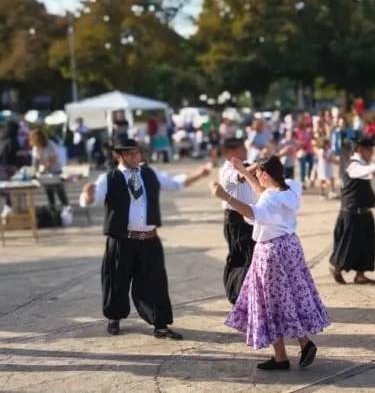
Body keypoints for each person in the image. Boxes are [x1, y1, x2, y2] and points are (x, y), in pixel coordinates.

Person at [79, 137, 212, 339]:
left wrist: (199, 174)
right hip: (122, 239)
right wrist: (88, 195)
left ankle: (160, 324)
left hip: (149, 239)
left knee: (155, 283)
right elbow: (92, 199)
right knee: (116, 281)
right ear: (119, 156)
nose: (135, 157)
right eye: (130, 153)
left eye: (137, 152)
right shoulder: (110, 178)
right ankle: (114, 317)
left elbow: (175, 183)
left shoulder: (149, 174)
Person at [210, 156, 328, 371]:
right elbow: (263, 192)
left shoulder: (269, 200)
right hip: (290, 247)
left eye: (257, 175)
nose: (256, 179)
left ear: (265, 175)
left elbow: (256, 212)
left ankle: (282, 356)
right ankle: (302, 343)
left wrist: (225, 196)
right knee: (290, 296)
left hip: (270, 251)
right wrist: (245, 173)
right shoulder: (289, 190)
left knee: (270, 303)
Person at [329, 136, 375, 285]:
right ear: (359, 149)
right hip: (352, 212)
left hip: (365, 211)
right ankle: (337, 269)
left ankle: (360, 275)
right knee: (349, 246)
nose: (371, 152)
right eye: (369, 149)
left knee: (367, 245)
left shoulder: (364, 164)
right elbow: (369, 170)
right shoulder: (353, 165)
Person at [220, 138, 259, 305]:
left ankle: (242, 294)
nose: (245, 150)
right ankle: (237, 296)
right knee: (242, 258)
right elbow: (241, 177)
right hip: (235, 220)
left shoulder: (246, 164)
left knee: (247, 257)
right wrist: (255, 167)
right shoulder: (227, 169)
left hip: (248, 219)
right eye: (242, 148)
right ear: (231, 152)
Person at [29, 129, 70, 209]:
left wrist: (44, 170)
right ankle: (52, 207)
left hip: (56, 169)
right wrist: (35, 171)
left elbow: (52, 160)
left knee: (59, 190)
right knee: (49, 191)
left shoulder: (51, 145)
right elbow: (36, 160)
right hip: (45, 171)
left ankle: (66, 206)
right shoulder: (36, 147)